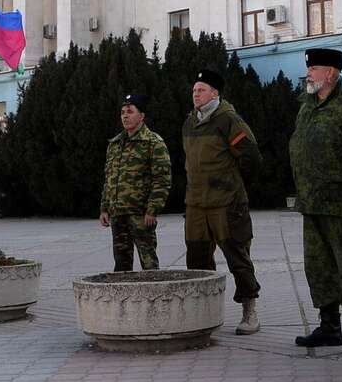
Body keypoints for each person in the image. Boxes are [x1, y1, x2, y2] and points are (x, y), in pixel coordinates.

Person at [287, 48, 342, 355]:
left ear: (332, 73)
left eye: (314, 68)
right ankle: (329, 327)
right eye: (308, 68)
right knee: (318, 268)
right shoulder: (307, 106)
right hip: (311, 203)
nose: (309, 73)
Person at [182, 68, 264, 335]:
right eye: (194, 90)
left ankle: (250, 311)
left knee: (237, 257)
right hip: (196, 204)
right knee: (196, 262)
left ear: (215, 93)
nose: (196, 94)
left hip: (226, 204)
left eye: (201, 90)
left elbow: (251, 157)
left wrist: (234, 186)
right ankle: (204, 314)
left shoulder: (228, 120)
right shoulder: (189, 122)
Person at [101, 94, 171, 271]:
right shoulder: (115, 144)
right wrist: (104, 208)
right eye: (123, 112)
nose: (125, 116)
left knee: (149, 263)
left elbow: (162, 179)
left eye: (130, 112)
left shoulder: (153, 142)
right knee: (121, 265)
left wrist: (152, 209)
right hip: (118, 213)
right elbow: (109, 178)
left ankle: (153, 296)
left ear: (141, 116)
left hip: (141, 214)